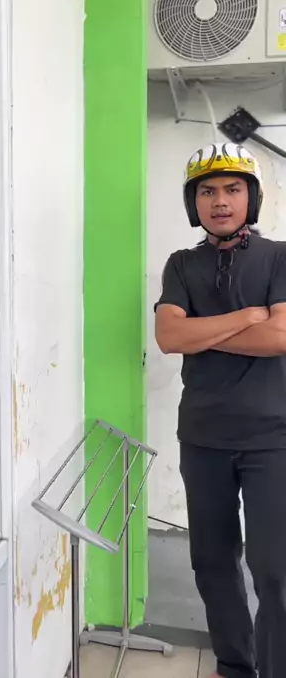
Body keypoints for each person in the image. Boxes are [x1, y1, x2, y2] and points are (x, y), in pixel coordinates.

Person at [155, 141, 286, 678]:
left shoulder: (280, 257)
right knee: (211, 561)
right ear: (194, 203)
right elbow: (169, 337)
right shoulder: (182, 264)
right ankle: (235, 667)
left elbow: (279, 337)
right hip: (203, 435)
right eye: (207, 191)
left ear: (251, 197)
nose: (220, 201)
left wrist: (202, 332)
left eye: (232, 189)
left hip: (273, 438)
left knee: (274, 570)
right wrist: (247, 317)